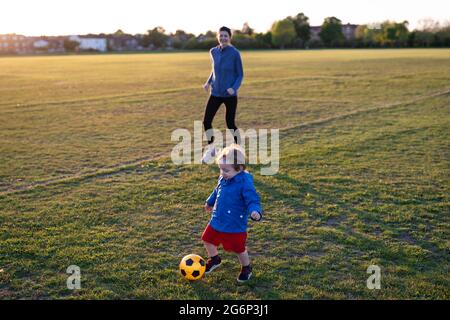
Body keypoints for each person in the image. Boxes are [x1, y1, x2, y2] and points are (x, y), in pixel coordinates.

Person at [201, 144, 262, 282]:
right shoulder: (224, 178)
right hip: (218, 218)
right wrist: (210, 202)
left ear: (239, 169)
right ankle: (215, 259)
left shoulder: (244, 183)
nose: (222, 173)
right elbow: (217, 190)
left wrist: (255, 211)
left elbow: (252, 199)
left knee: (239, 249)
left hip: (235, 223)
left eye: (226, 170)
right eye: (221, 169)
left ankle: (246, 267)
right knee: (207, 239)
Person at [202, 26, 244, 163]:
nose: (223, 38)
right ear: (217, 37)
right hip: (215, 93)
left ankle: (239, 149)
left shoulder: (235, 53)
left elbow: (240, 74)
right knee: (206, 121)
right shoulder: (213, 51)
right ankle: (211, 149)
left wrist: (234, 88)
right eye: (221, 36)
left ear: (229, 37)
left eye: (226, 36)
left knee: (230, 123)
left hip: (230, 95)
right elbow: (214, 70)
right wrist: (208, 82)